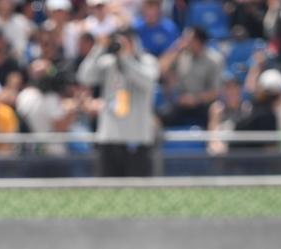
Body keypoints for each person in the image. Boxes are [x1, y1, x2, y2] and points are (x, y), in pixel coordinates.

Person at [78, 29, 159, 176]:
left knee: (139, 194)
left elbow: (148, 82)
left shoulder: (147, 61)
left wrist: (126, 58)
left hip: (137, 139)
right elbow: (84, 77)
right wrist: (99, 48)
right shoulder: (109, 63)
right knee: (108, 194)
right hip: (109, 138)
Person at [159, 26, 225, 128]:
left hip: (203, 103)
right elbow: (160, 69)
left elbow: (216, 92)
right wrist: (176, 49)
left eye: (188, 39)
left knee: (216, 110)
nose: (185, 42)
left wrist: (195, 99)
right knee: (160, 116)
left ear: (198, 41)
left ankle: (213, 143)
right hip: (182, 102)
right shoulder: (182, 55)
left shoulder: (214, 60)